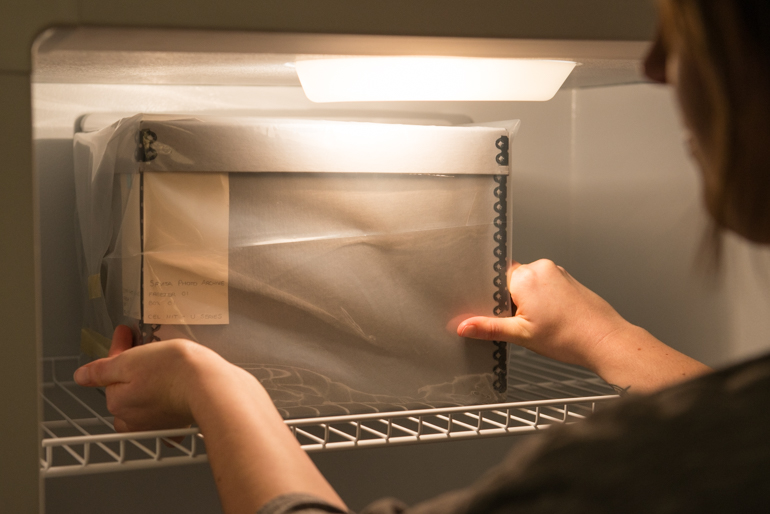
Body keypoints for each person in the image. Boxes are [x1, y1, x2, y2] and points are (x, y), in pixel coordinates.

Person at [73, 0, 770, 512]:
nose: (652, 64)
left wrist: (212, 384)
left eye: (705, 22)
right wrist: (610, 339)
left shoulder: (623, 467)